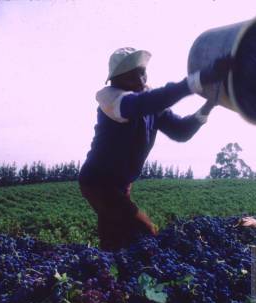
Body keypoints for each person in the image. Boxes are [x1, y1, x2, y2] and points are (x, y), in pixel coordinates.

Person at [79, 47, 231, 251]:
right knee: (145, 231)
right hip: (98, 184)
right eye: (132, 75)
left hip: (121, 187)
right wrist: (197, 80)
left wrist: (209, 105)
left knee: (115, 240)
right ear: (117, 80)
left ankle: (106, 277)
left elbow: (180, 131)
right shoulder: (112, 99)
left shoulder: (149, 103)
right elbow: (142, 103)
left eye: (142, 72)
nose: (141, 79)